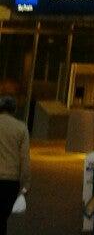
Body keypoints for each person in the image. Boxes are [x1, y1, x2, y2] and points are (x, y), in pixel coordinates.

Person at [0, 96, 30, 235]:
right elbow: (24, 159)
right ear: (14, 110)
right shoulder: (21, 128)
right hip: (10, 182)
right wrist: (25, 184)